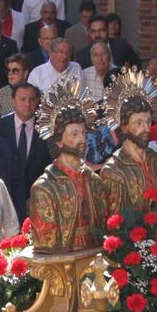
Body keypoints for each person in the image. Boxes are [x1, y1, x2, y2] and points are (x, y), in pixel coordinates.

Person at [28, 105, 103, 255]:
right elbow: (46, 243)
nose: (82, 139)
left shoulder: (94, 180)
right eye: (74, 134)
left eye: (83, 132)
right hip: (64, 264)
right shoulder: (45, 187)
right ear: (58, 141)